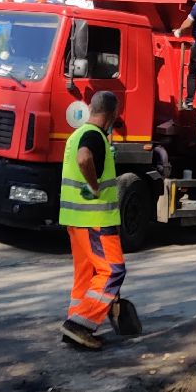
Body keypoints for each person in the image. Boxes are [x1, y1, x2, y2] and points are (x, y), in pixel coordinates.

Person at [58, 91, 127, 352]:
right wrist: (95, 187)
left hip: (76, 219)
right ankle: (80, 325)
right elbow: (84, 158)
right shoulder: (94, 136)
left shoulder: (76, 134)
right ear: (113, 113)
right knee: (112, 271)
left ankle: (75, 322)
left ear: (90, 107)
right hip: (95, 219)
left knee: (86, 275)